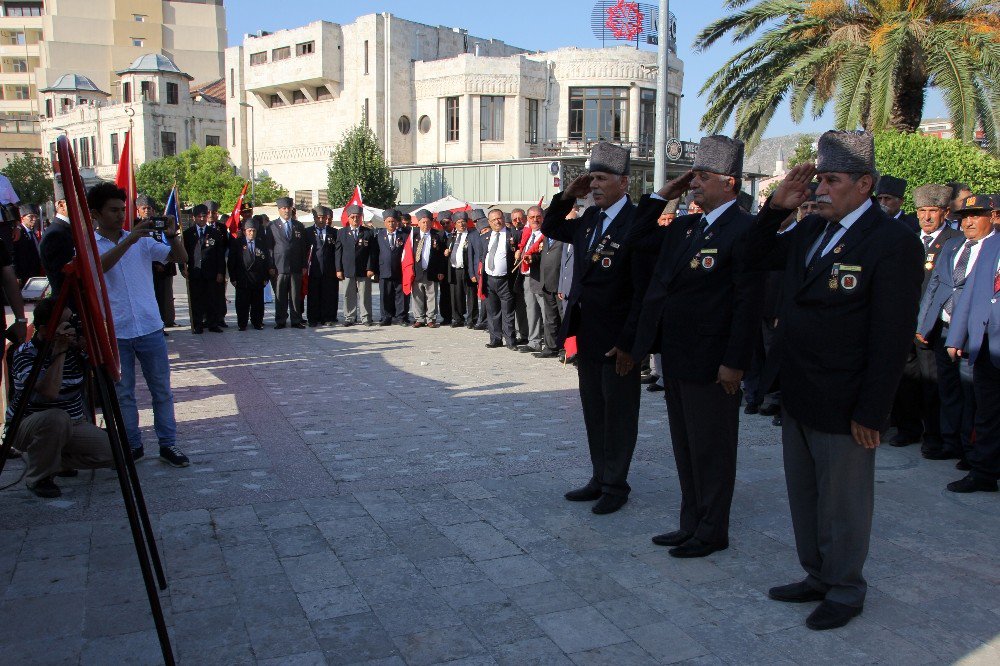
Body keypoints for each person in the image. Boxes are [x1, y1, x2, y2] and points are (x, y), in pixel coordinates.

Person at [748, 131, 923, 630]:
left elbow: (890, 337)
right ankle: (817, 575)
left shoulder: (892, 242)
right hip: (800, 390)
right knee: (805, 495)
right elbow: (754, 256)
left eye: (832, 180)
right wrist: (775, 210)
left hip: (847, 398)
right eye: (819, 179)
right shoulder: (808, 230)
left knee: (844, 501)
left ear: (865, 185)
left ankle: (846, 588)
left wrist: (873, 410)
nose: (821, 188)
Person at [630, 135, 765, 558]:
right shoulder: (687, 226)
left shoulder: (745, 229)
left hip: (714, 361)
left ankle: (712, 530)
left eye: (702, 177)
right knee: (685, 445)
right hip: (678, 354)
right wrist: (662, 194)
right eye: (692, 177)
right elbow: (637, 238)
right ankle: (691, 521)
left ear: (729, 183)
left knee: (713, 448)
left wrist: (734, 362)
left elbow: (748, 302)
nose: (693, 184)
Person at [541, 141, 650, 515]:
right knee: (593, 409)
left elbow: (641, 291)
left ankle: (616, 484)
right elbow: (551, 226)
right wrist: (568, 195)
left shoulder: (637, 222)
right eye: (592, 179)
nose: (595, 185)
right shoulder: (589, 218)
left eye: (601, 178)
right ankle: (600, 475)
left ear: (624, 181)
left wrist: (630, 342)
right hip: (587, 333)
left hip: (618, 338)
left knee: (619, 413)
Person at [91, 182, 190, 467]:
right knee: (124, 394)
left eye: (123, 209)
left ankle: (168, 444)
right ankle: (132, 444)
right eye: (113, 210)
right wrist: (129, 241)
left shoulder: (142, 239)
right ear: (96, 213)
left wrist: (173, 237)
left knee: (162, 390)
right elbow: (99, 268)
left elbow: (181, 260)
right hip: (116, 331)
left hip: (149, 327)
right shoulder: (90, 244)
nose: (119, 215)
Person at [6, 298, 113, 498]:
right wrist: (60, 353)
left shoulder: (74, 349)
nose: (70, 328)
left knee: (113, 452)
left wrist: (90, 347)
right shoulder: (25, 354)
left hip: (72, 424)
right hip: (27, 425)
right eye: (65, 323)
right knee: (56, 418)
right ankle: (39, 477)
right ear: (46, 330)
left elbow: (112, 372)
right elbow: (49, 392)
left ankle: (50, 459)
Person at [918, 188, 990, 468]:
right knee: (947, 389)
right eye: (965, 217)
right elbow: (935, 286)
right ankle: (951, 442)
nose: (969, 222)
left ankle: (971, 450)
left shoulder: (991, 249)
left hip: (974, 334)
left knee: (972, 393)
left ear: (990, 217)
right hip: (944, 329)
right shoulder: (953, 246)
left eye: (976, 216)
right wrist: (925, 324)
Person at [893, 184, 963, 449]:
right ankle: (907, 428)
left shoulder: (953, 242)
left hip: (930, 323)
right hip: (904, 319)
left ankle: (934, 435)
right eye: (922, 211)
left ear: (945, 212)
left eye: (933, 211)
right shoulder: (908, 236)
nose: (927, 217)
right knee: (905, 378)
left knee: (931, 381)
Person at [944, 194, 1000, 493]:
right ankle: (984, 473)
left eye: (980, 214)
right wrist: (955, 337)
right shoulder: (989, 247)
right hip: (986, 345)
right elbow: (970, 293)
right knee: (986, 414)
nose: (970, 220)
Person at [181, 204, 225, 334]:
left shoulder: (215, 233)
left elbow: (220, 255)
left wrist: (220, 272)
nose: (202, 218)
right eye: (199, 216)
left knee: (212, 299)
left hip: (211, 273)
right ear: (194, 218)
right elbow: (182, 253)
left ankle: (212, 324)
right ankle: (197, 324)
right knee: (196, 300)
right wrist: (182, 268)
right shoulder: (187, 234)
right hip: (195, 272)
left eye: (204, 216)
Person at [267, 197, 308, 329]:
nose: (286, 211)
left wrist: (304, 265)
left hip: (296, 266)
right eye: (284, 208)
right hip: (279, 267)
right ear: (279, 210)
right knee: (280, 295)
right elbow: (269, 248)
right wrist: (271, 265)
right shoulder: (272, 226)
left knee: (295, 295)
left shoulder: (298, 225)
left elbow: (304, 247)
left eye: (289, 208)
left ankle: (296, 320)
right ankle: (281, 320)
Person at [482, 209, 520, 349]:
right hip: (489, 279)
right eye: (493, 220)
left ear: (503, 218)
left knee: (508, 312)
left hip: (506, 280)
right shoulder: (485, 236)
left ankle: (510, 341)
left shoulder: (514, 234)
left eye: (499, 218)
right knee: (492, 311)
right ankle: (495, 339)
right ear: (489, 222)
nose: (497, 222)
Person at [139, 195, 178, 331]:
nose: (147, 210)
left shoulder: (159, 225)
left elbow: (169, 247)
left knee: (164, 299)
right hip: (146, 271)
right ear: (138, 210)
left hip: (165, 269)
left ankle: (163, 323)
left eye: (149, 208)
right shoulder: (135, 227)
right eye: (144, 208)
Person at [229, 215, 273, 331]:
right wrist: (233, 278)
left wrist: (266, 278)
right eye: (249, 231)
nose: (251, 233)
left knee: (257, 304)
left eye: (254, 231)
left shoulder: (261, 244)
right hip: (242, 279)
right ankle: (242, 324)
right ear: (244, 231)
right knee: (242, 304)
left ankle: (257, 322)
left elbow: (266, 261)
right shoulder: (237, 244)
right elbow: (231, 262)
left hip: (258, 279)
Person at [335, 204, 377, 326]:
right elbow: (338, 252)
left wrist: (370, 267)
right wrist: (338, 269)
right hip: (347, 269)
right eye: (353, 217)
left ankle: (366, 317)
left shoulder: (368, 233)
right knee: (348, 294)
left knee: (365, 295)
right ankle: (349, 317)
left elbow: (372, 252)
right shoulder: (342, 232)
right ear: (348, 218)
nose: (355, 219)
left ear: (361, 218)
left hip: (364, 270)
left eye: (358, 217)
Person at [529, 208, 563, 359]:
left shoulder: (564, 236)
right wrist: (532, 258)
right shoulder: (546, 236)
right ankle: (551, 346)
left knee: (563, 318)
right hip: (546, 282)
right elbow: (544, 255)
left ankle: (564, 348)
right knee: (550, 318)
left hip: (560, 282)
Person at [408, 209, 446, 328]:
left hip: (432, 271)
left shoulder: (437, 235)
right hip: (416, 271)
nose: (425, 225)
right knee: (417, 296)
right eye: (423, 222)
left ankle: (431, 318)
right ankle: (419, 318)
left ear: (431, 222)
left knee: (431, 295)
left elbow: (441, 256)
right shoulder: (412, 236)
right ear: (418, 223)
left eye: (428, 222)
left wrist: (440, 271)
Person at [304, 206, 339, 326]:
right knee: (313, 295)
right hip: (313, 268)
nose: (321, 220)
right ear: (314, 218)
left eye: (323, 217)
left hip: (329, 269)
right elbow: (303, 251)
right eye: (318, 217)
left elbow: (337, 251)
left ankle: (327, 317)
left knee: (327, 294)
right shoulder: (307, 232)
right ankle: (313, 318)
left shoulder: (333, 232)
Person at [518, 210, 547, 353]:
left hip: (541, 277)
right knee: (531, 310)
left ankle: (549, 343)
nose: (535, 220)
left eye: (538, 217)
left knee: (545, 311)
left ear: (543, 218)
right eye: (531, 217)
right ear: (527, 219)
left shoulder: (547, 234)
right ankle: (534, 341)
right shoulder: (528, 234)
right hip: (527, 276)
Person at [376, 209, 407, 326]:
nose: (391, 224)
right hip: (384, 269)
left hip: (399, 270)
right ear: (385, 222)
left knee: (401, 296)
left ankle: (401, 317)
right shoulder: (379, 235)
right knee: (385, 295)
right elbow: (375, 253)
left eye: (393, 221)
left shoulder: (403, 236)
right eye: (388, 222)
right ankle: (386, 317)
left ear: (397, 222)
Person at [39, 199, 75, 296]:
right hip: (68, 302)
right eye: (78, 201)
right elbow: (63, 276)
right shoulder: (56, 234)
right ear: (61, 205)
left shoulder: (66, 230)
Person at [203, 200, 230, 328]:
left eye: (213, 212)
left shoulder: (222, 227)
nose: (211, 215)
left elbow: (225, 245)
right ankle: (205, 318)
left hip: (219, 263)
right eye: (208, 212)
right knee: (205, 293)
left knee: (219, 293)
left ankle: (220, 317)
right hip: (204, 265)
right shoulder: (200, 226)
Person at [446, 211, 473, 328]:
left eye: (463, 222)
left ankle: (472, 318)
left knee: (471, 295)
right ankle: (457, 318)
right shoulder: (452, 237)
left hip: (467, 269)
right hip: (454, 269)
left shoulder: (471, 235)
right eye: (459, 222)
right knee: (456, 295)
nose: (461, 224)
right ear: (454, 224)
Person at [12, 203, 43, 285]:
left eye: (35, 216)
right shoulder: (18, 233)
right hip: (24, 275)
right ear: (22, 218)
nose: (34, 219)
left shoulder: (32, 233)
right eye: (31, 216)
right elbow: (15, 255)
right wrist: (17, 275)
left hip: (36, 272)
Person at [437, 210, 454, 326]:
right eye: (442, 223)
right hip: (443, 269)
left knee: (456, 293)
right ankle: (446, 316)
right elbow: (436, 255)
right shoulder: (439, 236)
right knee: (444, 294)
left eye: (447, 223)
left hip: (455, 268)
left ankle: (457, 315)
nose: (445, 225)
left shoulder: (458, 234)